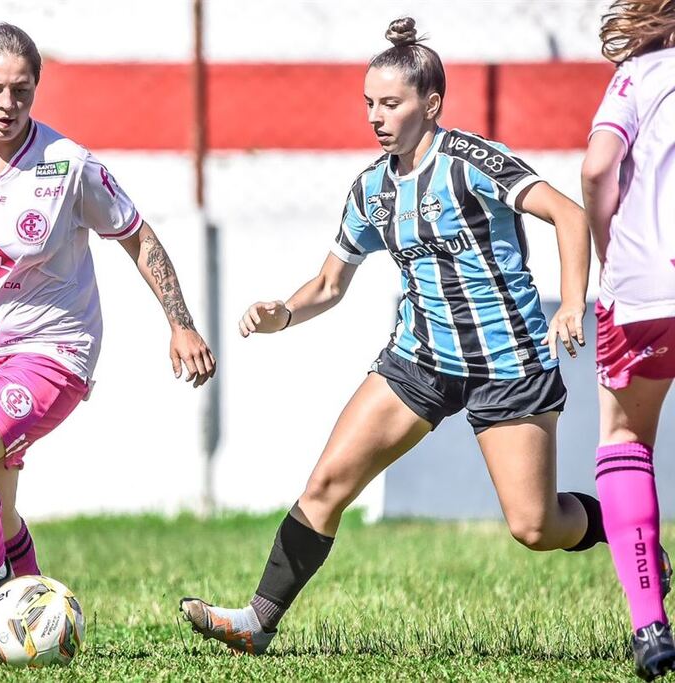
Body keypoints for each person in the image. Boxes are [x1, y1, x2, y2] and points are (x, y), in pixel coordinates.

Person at [179, 16, 635, 655]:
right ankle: (256, 621)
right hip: (419, 359)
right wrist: (283, 311)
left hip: (509, 360)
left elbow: (567, 213)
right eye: (369, 103)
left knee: (534, 526)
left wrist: (571, 303)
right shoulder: (370, 189)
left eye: (390, 103)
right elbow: (330, 283)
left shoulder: (472, 163)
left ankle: (626, 529)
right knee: (327, 485)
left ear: (431, 103)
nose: (375, 115)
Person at [0, 23, 216, 647]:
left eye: (22, 91)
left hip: (56, 348)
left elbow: (137, 236)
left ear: (36, 89)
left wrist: (181, 324)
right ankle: (35, 620)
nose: (8, 104)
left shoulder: (69, 165)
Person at [581, 1, 675, 679]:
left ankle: (650, 625)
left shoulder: (641, 74)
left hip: (646, 283)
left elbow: (596, 168)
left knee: (624, 438)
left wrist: (606, 247)